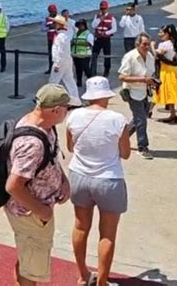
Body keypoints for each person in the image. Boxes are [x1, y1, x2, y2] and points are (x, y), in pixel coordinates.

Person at [5, 84, 73, 286]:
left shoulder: (44, 125)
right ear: (56, 110)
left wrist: (63, 180)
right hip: (30, 214)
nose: (67, 113)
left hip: (36, 210)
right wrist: (42, 211)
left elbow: (50, 157)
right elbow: (14, 185)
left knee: (28, 256)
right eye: (67, 108)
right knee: (33, 271)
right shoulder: (31, 143)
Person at [66, 76, 131, 286]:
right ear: (106, 95)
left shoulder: (74, 116)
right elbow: (126, 153)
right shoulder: (117, 119)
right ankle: (102, 281)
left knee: (80, 226)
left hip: (79, 175)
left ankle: (83, 275)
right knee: (108, 233)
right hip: (108, 179)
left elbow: (70, 147)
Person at [118, 33, 156, 160]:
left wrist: (152, 82)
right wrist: (142, 79)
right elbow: (122, 77)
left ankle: (120, 139)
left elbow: (151, 73)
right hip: (132, 91)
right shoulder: (130, 57)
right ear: (137, 44)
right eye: (144, 44)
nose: (146, 47)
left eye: (148, 44)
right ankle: (143, 147)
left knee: (139, 118)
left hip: (146, 92)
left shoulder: (150, 57)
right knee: (141, 120)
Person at [152, 24, 177, 123]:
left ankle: (151, 111)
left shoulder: (164, 45)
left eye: (161, 33)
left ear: (167, 34)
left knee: (162, 90)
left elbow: (157, 56)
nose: (159, 34)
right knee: (168, 92)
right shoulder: (175, 44)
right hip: (172, 70)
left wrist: (152, 46)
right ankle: (172, 114)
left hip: (165, 70)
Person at [49, 15, 81, 104]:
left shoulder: (60, 37)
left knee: (53, 82)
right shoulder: (64, 35)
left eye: (55, 23)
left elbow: (60, 52)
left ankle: (50, 100)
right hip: (67, 60)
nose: (54, 24)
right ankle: (76, 100)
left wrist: (57, 64)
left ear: (59, 24)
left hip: (61, 61)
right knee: (69, 80)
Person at [91, 0, 117, 78]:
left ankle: (106, 70)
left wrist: (106, 33)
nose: (103, 10)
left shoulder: (111, 17)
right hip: (98, 38)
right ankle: (93, 70)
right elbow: (93, 25)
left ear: (107, 8)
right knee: (94, 54)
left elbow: (114, 29)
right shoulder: (97, 16)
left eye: (104, 8)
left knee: (107, 56)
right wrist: (99, 19)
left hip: (106, 39)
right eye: (102, 8)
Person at [71, 19, 94, 88]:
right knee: (78, 69)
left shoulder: (88, 34)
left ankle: (91, 82)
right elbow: (72, 42)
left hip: (85, 55)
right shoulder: (75, 33)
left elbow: (90, 44)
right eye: (78, 26)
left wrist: (78, 42)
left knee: (86, 70)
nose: (79, 27)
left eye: (80, 26)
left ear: (84, 25)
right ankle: (79, 82)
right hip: (76, 54)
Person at [43, 4, 58, 74]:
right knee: (51, 54)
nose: (54, 12)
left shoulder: (59, 18)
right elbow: (43, 28)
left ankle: (56, 68)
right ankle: (51, 68)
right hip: (50, 38)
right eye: (52, 11)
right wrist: (49, 27)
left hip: (57, 39)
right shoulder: (47, 19)